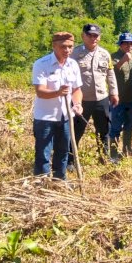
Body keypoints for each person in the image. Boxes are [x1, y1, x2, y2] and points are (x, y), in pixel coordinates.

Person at [31, 32, 83, 179]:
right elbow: (40, 91)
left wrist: (77, 104)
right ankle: (41, 184)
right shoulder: (41, 64)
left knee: (63, 152)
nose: (67, 50)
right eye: (63, 47)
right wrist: (58, 92)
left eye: (70, 47)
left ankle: (60, 181)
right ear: (54, 46)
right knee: (43, 153)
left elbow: (77, 89)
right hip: (46, 118)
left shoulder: (73, 65)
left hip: (66, 117)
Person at [70, 23, 119, 159]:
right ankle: (70, 160)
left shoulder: (104, 54)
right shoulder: (74, 53)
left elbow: (110, 73)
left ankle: (104, 156)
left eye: (96, 36)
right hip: (81, 100)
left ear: (99, 37)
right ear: (83, 36)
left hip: (101, 98)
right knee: (76, 130)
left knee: (104, 130)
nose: (93, 38)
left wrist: (114, 92)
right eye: (90, 35)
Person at [109, 31, 132, 161]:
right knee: (115, 127)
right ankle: (113, 154)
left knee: (130, 125)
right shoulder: (113, 57)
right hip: (118, 99)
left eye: (131, 43)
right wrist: (123, 60)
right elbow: (111, 72)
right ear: (121, 44)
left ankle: (127, 149)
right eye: (126, 43)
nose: (129, 46)